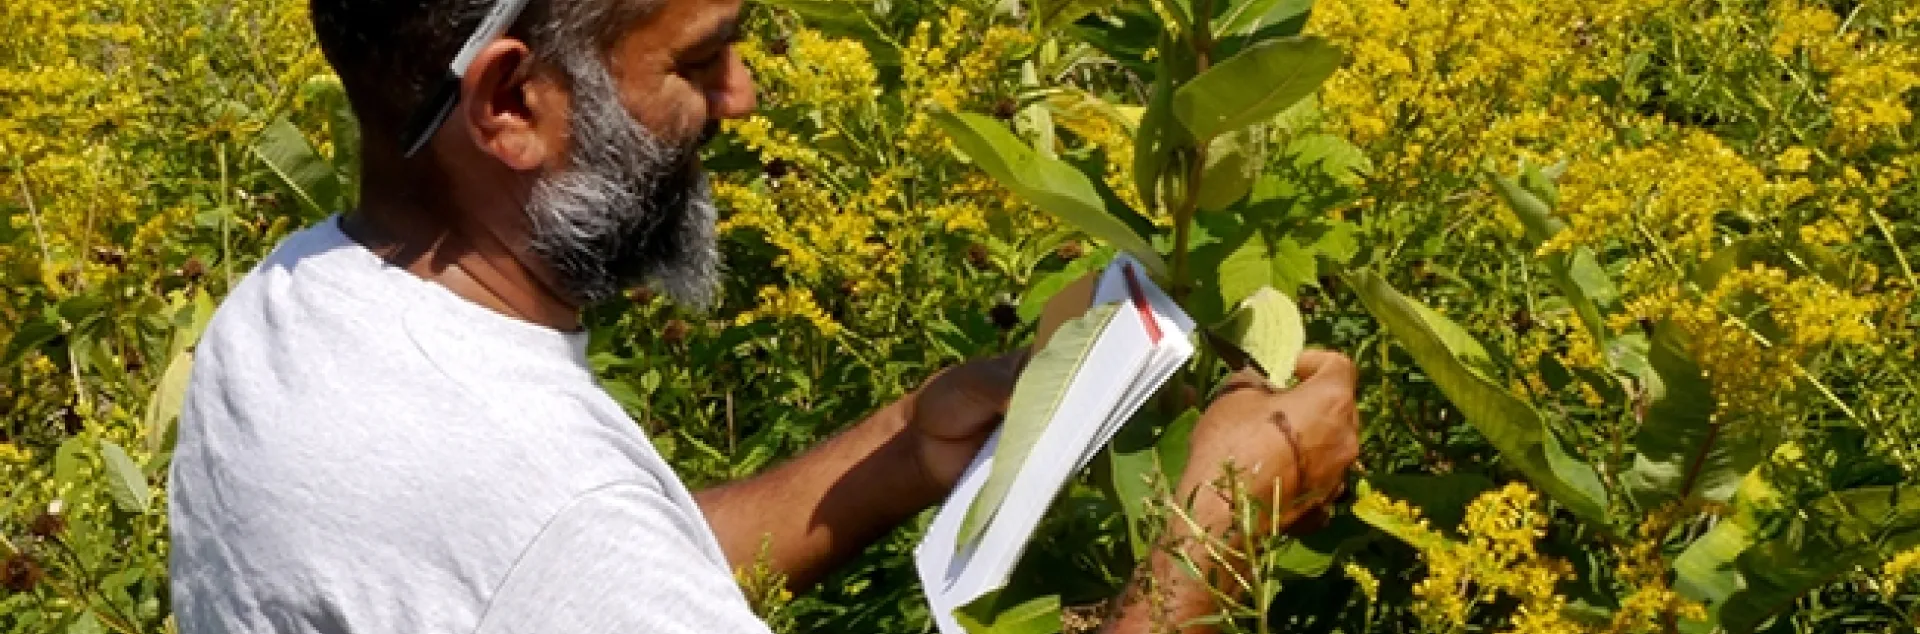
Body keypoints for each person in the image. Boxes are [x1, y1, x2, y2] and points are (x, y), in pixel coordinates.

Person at [165, 0, 1363, 631]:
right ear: (512, 100)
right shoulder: (533, 495)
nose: (744, 95)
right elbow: (563, 551)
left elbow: (555, 581)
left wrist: (903, 444)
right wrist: (1207, 548)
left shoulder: (293, 306)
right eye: (697, 59)